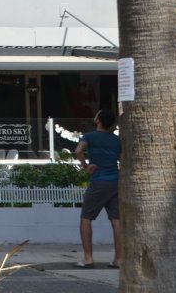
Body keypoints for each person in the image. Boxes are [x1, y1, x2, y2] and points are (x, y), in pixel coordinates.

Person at [74, 108, 121, 269]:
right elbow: (122, 158)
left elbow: (78, 151)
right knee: (117, 221)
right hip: (116, 181)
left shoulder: (89, 136)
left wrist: (86, 166)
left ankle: (88, 258)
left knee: (86, 219)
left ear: (98, 120)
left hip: (99, 181)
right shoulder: (117, 140)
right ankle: (118, 259)